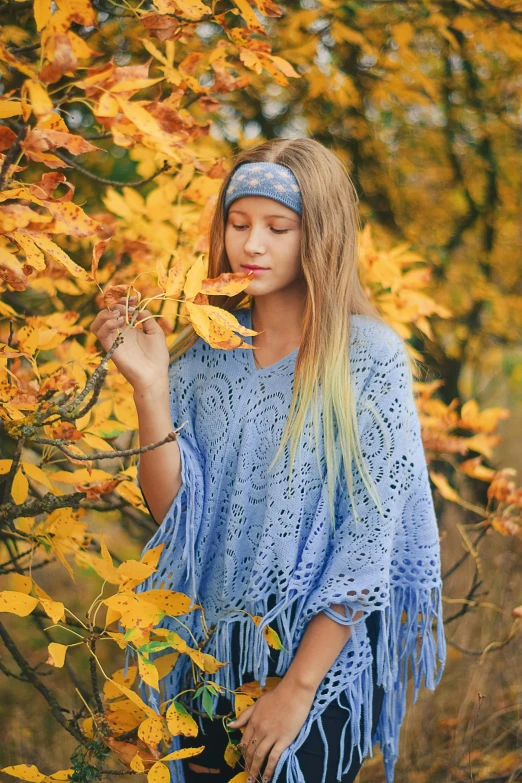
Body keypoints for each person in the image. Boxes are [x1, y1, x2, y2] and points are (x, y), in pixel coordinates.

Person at [90, 138, 446, 783]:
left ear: (321, 237)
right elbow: (177, 517)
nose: (252, 245)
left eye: (278, 228)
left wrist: (297, 691)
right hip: (207, 657)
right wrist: (151, 388)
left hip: (320, 661)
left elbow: (369, 541)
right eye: (238, 222)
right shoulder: (201, 362)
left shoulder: (366, 360)